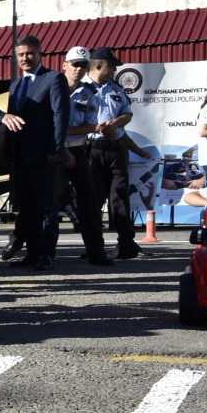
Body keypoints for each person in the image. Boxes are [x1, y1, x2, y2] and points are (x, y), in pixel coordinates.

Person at [0, 36, 69, 270]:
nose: (25, 58)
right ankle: (32, 253)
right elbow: (12, 121)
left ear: (39, 53)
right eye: (20, 54)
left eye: (29, 53)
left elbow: (60, 115)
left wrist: (55, 148)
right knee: (27, 207)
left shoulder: (54, 78)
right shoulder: (16, 84)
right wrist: (9, 154)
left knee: (46, 206)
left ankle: (47, 254)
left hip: (44, 155)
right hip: (20, 156)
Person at [78, 47, 145, 261]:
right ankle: (94, 247)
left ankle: (126, 244)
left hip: (116, 148)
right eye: (112, 66)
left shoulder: (115, 88)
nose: (115, 70)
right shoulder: (79, 88)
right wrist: (96, 128)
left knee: (120, 197)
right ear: (98, 66)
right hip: (91, 148)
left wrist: (117, 122)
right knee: (93, 199)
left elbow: (127, 113)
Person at [61, 46, 112, 266]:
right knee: (45, 199)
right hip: (52, 149)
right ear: (65, 65)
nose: (79, 69)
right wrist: (95, 127)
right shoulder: (53, 87)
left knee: (89, 201)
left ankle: (96, 251)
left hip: (76, 149)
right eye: (75, 64)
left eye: (83, 65)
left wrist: (95, 128)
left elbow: (84, 127)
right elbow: (51, 126)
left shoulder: (89, 94)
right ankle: (33, 250)